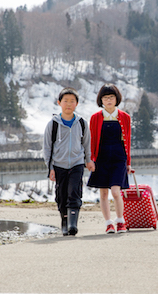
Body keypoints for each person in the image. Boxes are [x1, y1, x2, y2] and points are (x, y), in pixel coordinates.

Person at [43, 88, 95, 236]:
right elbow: (47, 148)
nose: (69, 104)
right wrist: (50, 167)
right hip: (59, 165)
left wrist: (88, 160)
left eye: (72, 101)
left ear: (76, 104)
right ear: (59, 103)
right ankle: (64, 223)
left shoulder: (82, 123)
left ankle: (73, 224)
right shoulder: (53, 124)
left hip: (77, 163)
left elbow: (86, 144)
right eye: (65, 101)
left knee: (74, 192)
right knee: (61, 195)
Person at [87, 84, 134, 234]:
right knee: (103, 193)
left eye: (111, 97)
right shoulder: (95, 118)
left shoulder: (125, 117)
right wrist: (91, 159)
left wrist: (128, 162)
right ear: (101, 100)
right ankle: (108, 223)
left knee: (115, 191)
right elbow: (92, 140)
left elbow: (128, 141)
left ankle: (120, 221)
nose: (108, 100)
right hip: (101, 158)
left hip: (119, 158)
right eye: (105, 97)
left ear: (117, 99)